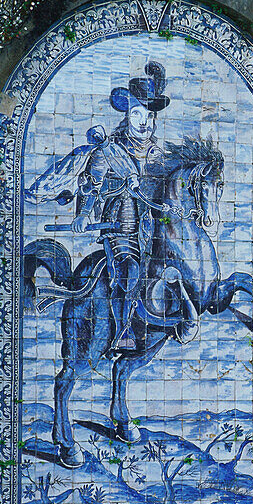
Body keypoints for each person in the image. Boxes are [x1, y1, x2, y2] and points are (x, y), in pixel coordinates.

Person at [26, 61, 172, 350]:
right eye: (137, 114)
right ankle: (124, 330)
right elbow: (92, 186)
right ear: (127, 117)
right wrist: (82, 214)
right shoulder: (108, 150)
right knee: (130, 271)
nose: (144, 122)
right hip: (121, 227)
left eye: (149, 115)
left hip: (155, 229)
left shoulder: (160, 153)